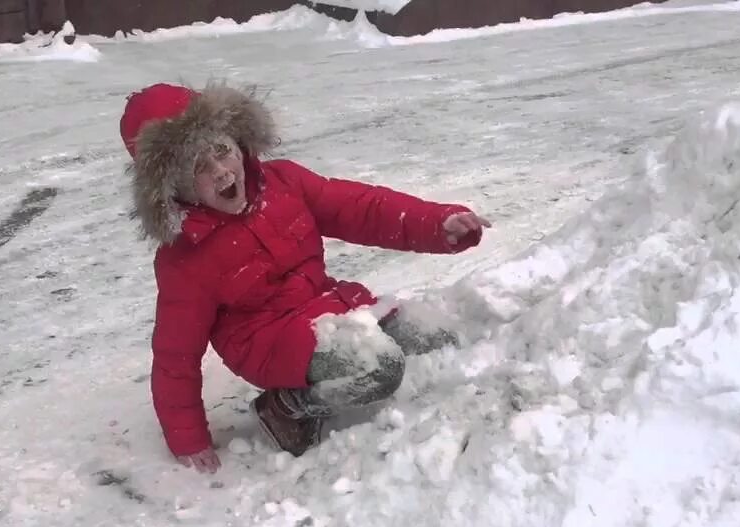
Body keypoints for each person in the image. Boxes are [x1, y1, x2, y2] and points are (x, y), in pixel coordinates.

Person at [120, 81, 489, 474]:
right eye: (199, 168)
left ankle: (329, 372)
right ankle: (285, 409)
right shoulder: (184, 259)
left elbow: (362, 209)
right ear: (173, 187)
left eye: (222, 150)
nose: (222, 171)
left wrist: (439, 224)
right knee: (379, 368)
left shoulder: (284, 183)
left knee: (434, 338)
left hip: (328, 306)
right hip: (269, 342)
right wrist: (187, 437)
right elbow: (176, 353)